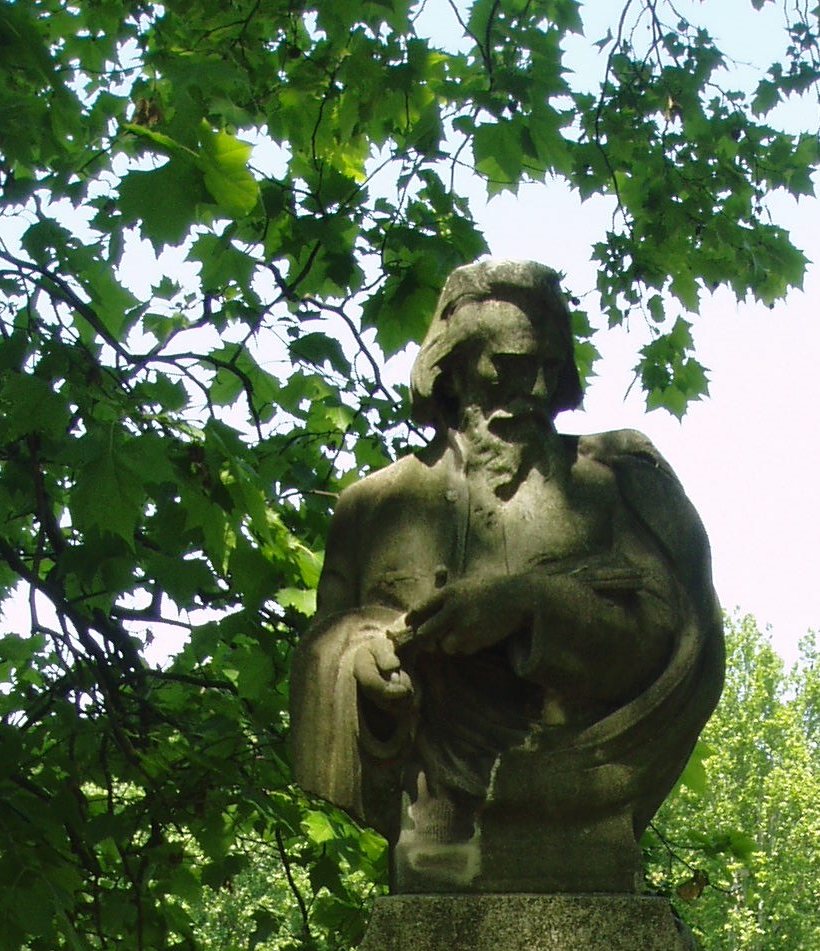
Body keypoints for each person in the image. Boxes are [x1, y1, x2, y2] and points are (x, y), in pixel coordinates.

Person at [290, 259, 724, 892]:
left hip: (583, 814)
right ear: (453, 365)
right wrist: (364, 665)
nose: (538, 389)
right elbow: (331, 641)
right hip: (434, 832)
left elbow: (670, 638)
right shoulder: (373, 509)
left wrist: (530, 606)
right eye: (512, 365)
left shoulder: (614, 487)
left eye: (553, 367)